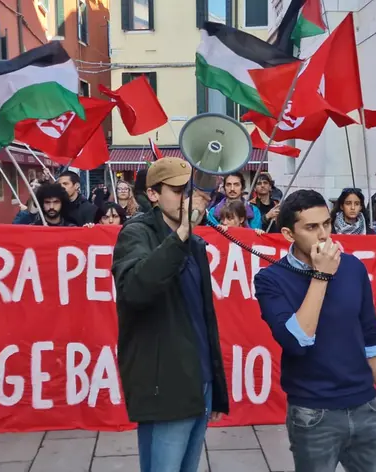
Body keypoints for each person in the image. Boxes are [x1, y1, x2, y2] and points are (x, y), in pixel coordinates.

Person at [253, 190, 376, 472]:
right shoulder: (270, 279)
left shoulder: (353, 268)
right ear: (288, 234)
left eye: (326, 223)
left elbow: (372, 339)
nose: (324, 235)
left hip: (366, 406)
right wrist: (321, 275)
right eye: (311, 227)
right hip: (313, 413)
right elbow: (297, 341)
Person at [111, 157, 229, 472]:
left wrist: (216, 387)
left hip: (199, 379)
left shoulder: (195, 243)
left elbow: (203, 319)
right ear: (153, 194)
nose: (186, 199)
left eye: (190, 191)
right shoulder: (136, 233)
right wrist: (180, 236)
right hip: (164, 381)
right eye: (177, 191)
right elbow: (136, 288)